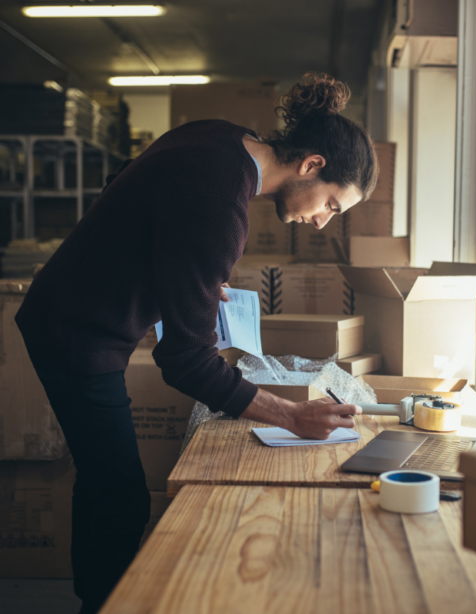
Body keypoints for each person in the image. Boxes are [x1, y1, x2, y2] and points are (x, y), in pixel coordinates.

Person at [15, 73, 378, 614]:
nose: (323, 222)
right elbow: (184, 361)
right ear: (311, 165)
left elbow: (128, 181)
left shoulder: (220, 137)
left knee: (101, 480)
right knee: (121, 498)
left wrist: (186, 274)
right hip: (77, 333)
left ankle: (91, 597)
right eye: (331, 204)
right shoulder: (221, 205)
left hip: (67, 312)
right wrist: (291, 416)